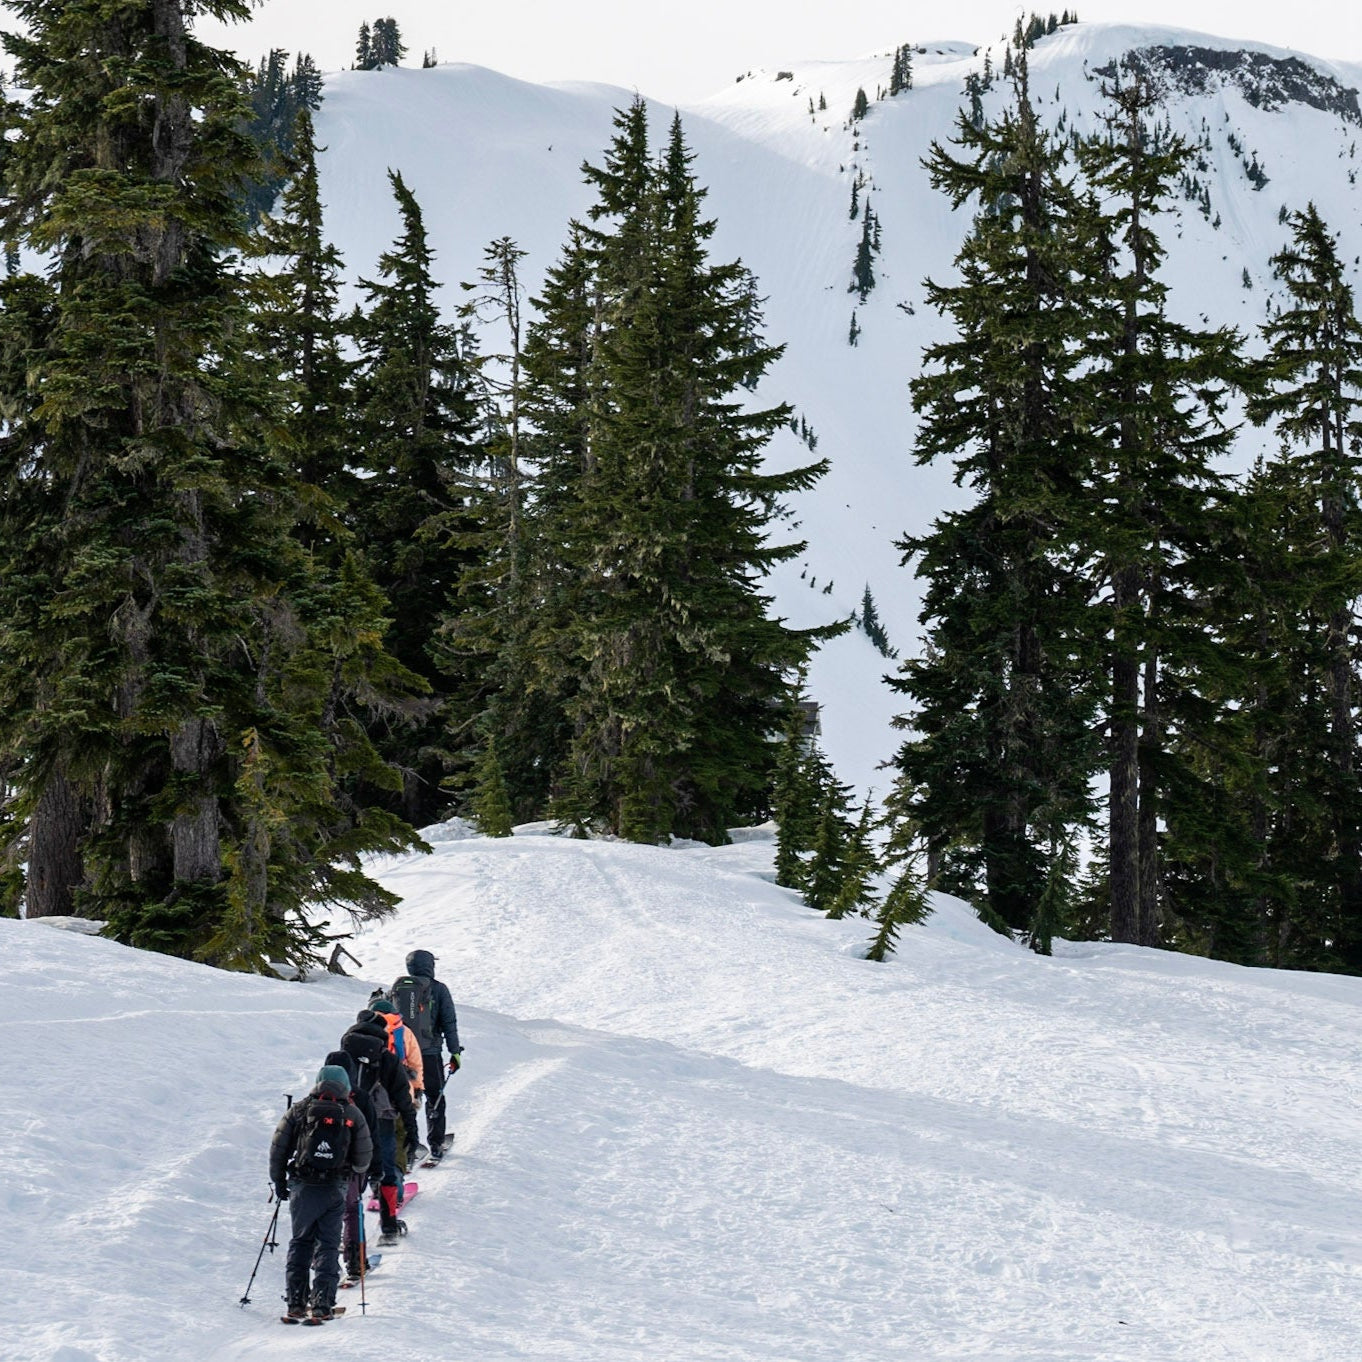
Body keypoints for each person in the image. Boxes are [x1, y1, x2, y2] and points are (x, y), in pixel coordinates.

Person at [269, 1064, 373, 1322]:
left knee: (301, 1241)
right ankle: (322, 1305)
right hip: (335, 1187)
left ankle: (295, 1302)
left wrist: (279, 1182)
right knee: (328, 1244)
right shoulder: (352, 1113)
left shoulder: (299, 1110)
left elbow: (278, 1149)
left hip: (303, 1186)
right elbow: (363, 1159)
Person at [341, 1008, 421, 1241]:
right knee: (386, 1171)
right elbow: (402, 1097)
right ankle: (388, 1228)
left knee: (348, 1175)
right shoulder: (386, 1058)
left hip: (349, 1118)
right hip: (382, 1120)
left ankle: (344, 1235)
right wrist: (411, 1128)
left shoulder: (343, 1054)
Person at [390, 949, 463, 1162]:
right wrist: (455, 1052)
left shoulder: (398, 987)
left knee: (407, 1099)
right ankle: (436, 1144)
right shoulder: (439, 989)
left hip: (403, 1055)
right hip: (429, 1055)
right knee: (435, 1097)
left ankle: (406, 1148)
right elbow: (449, 1022)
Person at [323, 1049, 380, 1282]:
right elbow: (371, 1135)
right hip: (351, 1168)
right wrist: (375, 1168)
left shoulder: (314, 1099)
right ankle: (356, 1264)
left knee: (323, 1215)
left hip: (319, 1168)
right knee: (352, 1211)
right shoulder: (360, 1097)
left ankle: (324, 1267)